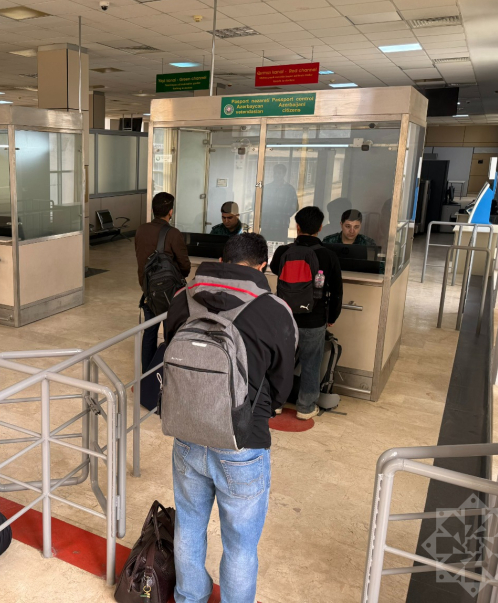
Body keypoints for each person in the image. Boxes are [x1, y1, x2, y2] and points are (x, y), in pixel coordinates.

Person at [164, 233, 298, 603]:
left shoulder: (183, 297)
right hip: (243, 442)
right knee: (239, 545)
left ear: (222, 260)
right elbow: (282, 383)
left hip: (188, 433)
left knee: (189, 525)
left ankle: (189, 597)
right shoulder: (274, 309)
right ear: (263, 266)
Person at [271, 206, 343, 420]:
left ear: (297, 226)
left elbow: (275, 270)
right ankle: (305, 407)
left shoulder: (283, 252)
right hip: (314, 318)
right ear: (320, 227)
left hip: (284, 317)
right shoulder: (328, 256)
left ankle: (276, 402)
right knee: (311, 363)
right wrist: (332, 317)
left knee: (281, 361)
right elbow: (337, 291)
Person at [134, 192, 191, 369]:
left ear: (153, 210)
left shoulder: (141, 230)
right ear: (170, 211)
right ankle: (168, 371)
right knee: (170, 331)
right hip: (169, 294)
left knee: (149, 331)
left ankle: (146, 374)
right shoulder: (173, 234)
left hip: (148, 290)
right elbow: (185, 267)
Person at [260, 163, 298, 244]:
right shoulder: (267, 188)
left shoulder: (289, 189)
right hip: (267, 224)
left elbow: (294, 206)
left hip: (281, 225)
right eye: (275, 173)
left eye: (279, 173)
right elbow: (257, 204)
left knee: (280, 247)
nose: (277, 175)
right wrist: (264, 214)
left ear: (284, 174)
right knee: (263, 246)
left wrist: (283, 215)